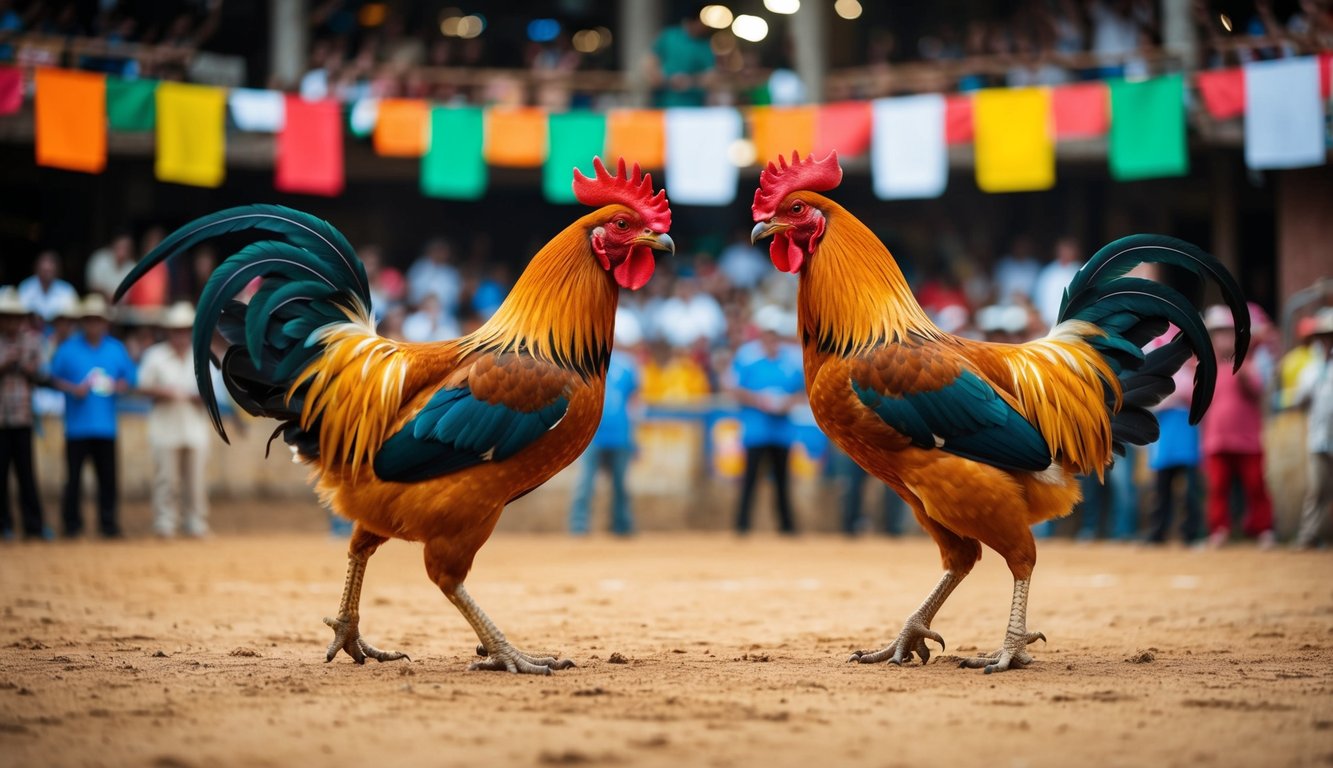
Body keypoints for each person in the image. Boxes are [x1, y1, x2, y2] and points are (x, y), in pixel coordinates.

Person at [49, 294, 136, 539]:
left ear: (104, 322)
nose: (93, 324)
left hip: (106, 426)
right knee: (73, 479)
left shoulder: (116, 349)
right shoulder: (67, 349)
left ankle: (108, 524)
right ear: (82, 322)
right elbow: (52, 379)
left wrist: (121, 386)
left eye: (97, 319)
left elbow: (130, 378)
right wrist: (73, 389)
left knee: (108, 479)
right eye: (88, 319)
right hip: (76, 427)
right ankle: (72, 525)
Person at [1200, 304, 1275, 548]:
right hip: (1216, 439)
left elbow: (1257, 390)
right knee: (1217, 487)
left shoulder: (1249, 364)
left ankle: (1262, 529)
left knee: (1255, 485)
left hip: (1247, 439)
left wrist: (1241, 365)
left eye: (1228, 333)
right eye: (1218, 333)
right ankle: (1219, 529)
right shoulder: (1206, 368)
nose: (1223, 338)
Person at [136, 302, 211, 539]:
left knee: (196, 481)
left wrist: (196, 397)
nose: (181, 334)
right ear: (169, 331)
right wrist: (164, 392)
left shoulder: (201, 355)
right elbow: (142, 387)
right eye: (176, 329)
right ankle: (165, 522)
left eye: (185, 329)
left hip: (194, 427)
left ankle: (195, 522)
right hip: (165, 428)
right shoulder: (155, 356)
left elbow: (213, 393)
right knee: (166, 479)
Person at [730, 306, 804, 535]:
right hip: (756, 430)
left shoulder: (792, 360)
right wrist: (759, 400)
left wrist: (786, 402)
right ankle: (742, 525)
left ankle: (787, 526)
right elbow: (735, 389)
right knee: (750, 479)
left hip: (782, 432)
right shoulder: (746, 356)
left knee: (782, 481)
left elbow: (805, 391)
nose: (771, 338)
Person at [568, 311, 642, 537]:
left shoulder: (628, 366)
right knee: (585, 484)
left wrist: (635, 435)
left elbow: (636, 402)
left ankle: (622, 526)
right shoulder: (589, 364)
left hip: (619, 433)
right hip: (593, 435)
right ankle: (579, 527)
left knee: (620, 485)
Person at [0, 288, 46, 541]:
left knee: (26, 473)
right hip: (1, 418)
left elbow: (40, 375)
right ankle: (4, 524)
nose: (11, 321)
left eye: (15, 316)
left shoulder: (32, 341)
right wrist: (5, 364)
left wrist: (28, 369)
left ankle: (33, 525)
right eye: (7, 316)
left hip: (23, 416)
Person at [1145, 355, 1204, 545]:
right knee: (1162, 492)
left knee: (1190, 492)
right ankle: (1158, 533)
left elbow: (1198, 399)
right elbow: (1150, 404)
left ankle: (1190, 534)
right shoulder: (1160, 375)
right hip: (1165, 444)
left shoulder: (1197, 374)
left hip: (1188, 442)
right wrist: (1172, 399)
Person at [1293, 308, 1333, 549]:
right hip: (1319, 437)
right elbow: (1299, 400)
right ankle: (1309, 535)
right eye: (1323, 337)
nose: (1326, 342)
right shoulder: (1311, 370)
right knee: (1316, 489)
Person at [644, 4, 715, 107]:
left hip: (692, 106)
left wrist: (690, 82)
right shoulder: (670, 35)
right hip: (663, 103)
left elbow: (711, 77)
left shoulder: (705, 45)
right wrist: (660, 78)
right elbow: (650, 60)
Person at [829, 444, 907, 536]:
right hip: (853, 446)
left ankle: (893, 530)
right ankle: (849, 529)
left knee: (896, 487)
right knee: (850, 489)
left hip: (887, 446)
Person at [1032, 236, 1084, 330]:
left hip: (1072, 326)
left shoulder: (1082, 272)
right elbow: (1038, 300)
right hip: (1046, 326)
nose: (1065, 253)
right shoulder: (1048, 272)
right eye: (1063, 249)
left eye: (1069, 249)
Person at [17, 250, 78, 325]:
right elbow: (20, 314)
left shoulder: (67, 290)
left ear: (57, 270)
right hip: (30, 331)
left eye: (49, 271)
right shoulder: (26, 287)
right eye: (44, 270)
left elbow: (73, 318)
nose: (46, 274)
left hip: (59, 332)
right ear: (36, 269)